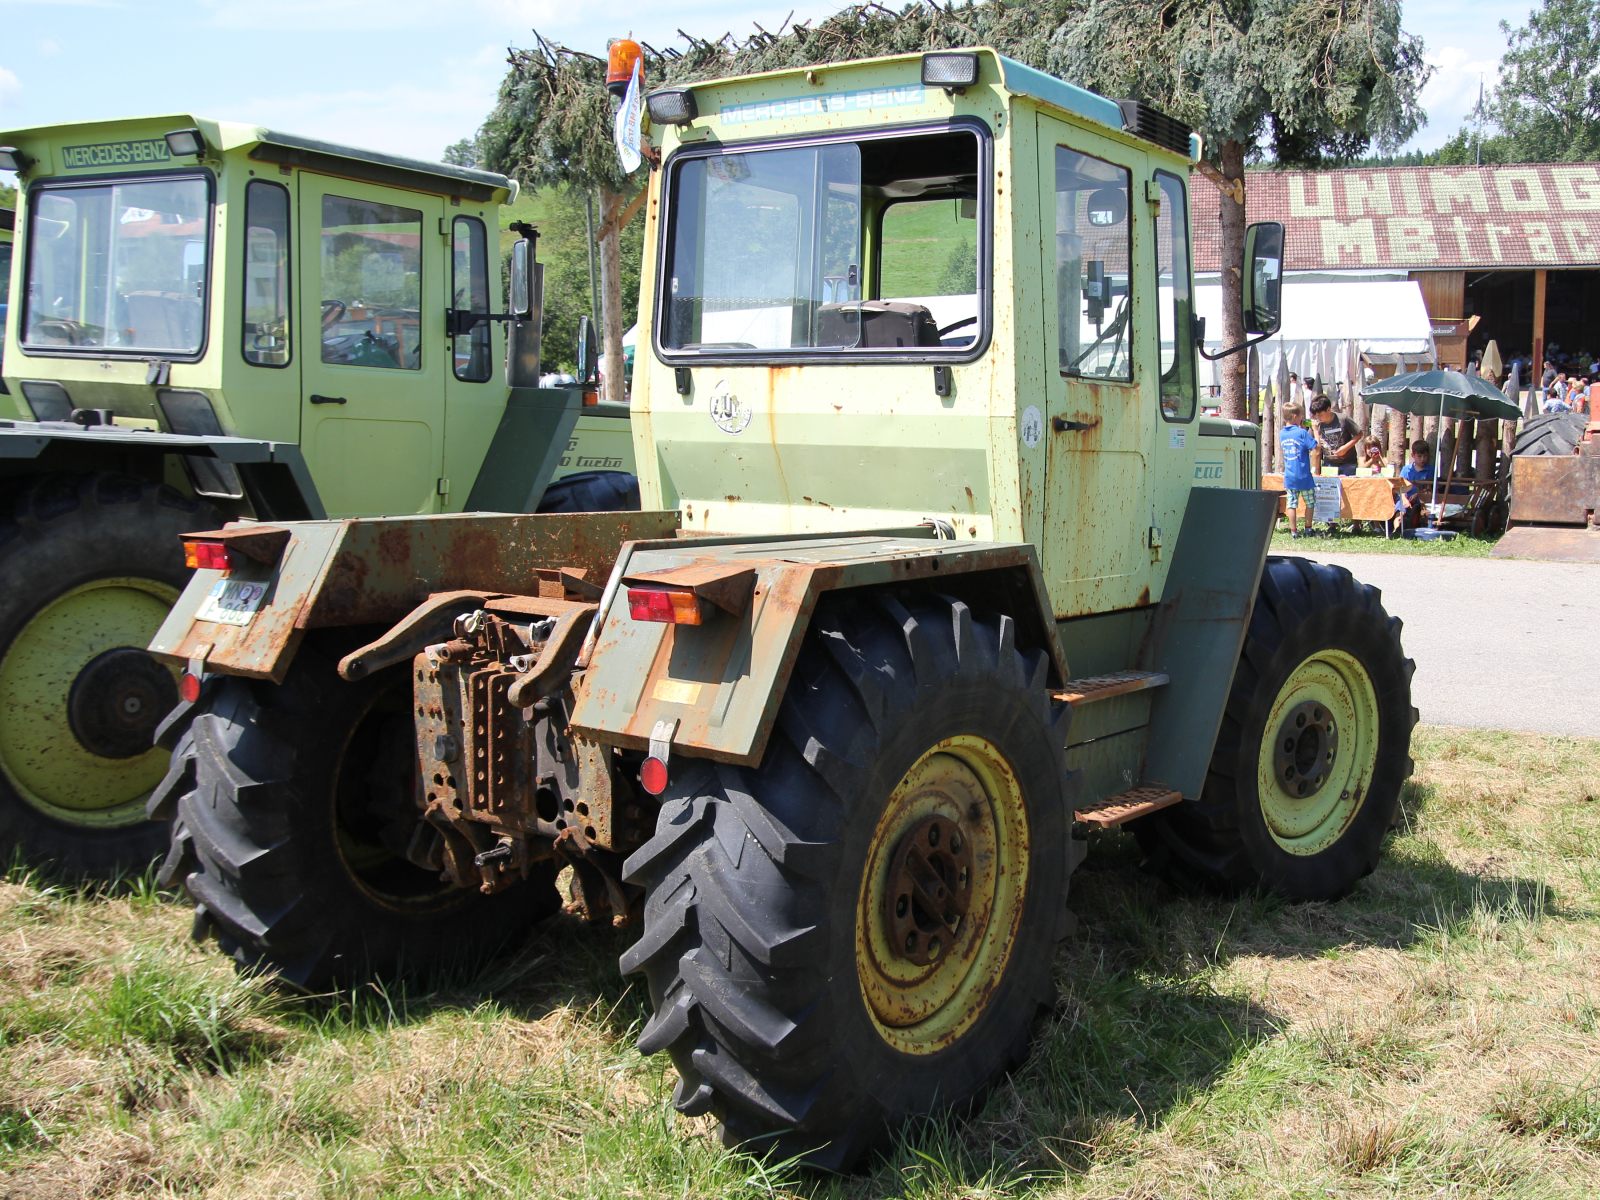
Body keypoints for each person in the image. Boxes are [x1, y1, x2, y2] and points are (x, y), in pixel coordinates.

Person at [1280, 400, 1320, 538]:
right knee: (1310, 502)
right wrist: (1314, 429)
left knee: (1292, 504)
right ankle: (1308, 528)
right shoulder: (1302, 433)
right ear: (1295, 416)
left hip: (1290, 475)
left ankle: (1293, 531)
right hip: (1303, 475)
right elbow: (1316, 446)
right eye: (1301, 416)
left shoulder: (1282, 434)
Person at [1310, 394, 1361, 476]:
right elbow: (1314, 444)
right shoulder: (1316, 425)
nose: (1318, 417)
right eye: (1316, 415)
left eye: (1320, 415)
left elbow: (1359, 434)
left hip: (1348, 464)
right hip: (1329, 464)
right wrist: (1315, 430)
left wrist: (1345, 448)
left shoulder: (1343, 419)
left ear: (1328, 409)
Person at [1397, 439, 1435, 529]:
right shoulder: (1406, 470)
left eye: (1425, 456)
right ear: (1413, 455)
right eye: (1419, 456)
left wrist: (1418, 494)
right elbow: (1400, 487)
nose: (1422, 459)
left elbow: (1430, 488)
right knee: (1401, 510)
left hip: (1421, 498)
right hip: (1406, 497)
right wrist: (1404, 499)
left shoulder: (1430, 470)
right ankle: (1397, 528)